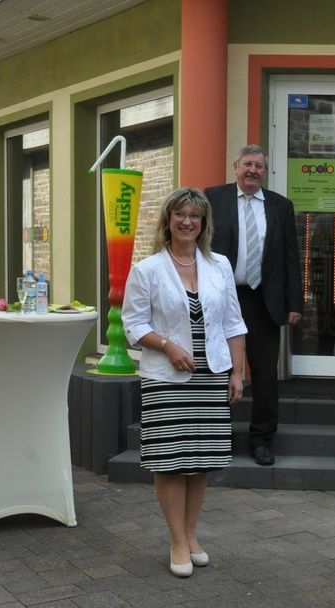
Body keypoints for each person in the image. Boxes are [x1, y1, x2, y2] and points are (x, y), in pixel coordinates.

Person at [122, 188, 247, 577]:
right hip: (166, 377)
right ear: (168, 221)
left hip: (211, 375)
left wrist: (238, 372)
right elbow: (133, 324)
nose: (187, 221)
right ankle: (176, 539)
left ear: (204, 223)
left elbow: (233, 323)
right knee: (171, 461)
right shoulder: (148, 269)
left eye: (195, 215)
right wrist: (167, 346)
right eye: (180, 215)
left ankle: (192, 535)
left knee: (202, 460)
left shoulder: (220, 265)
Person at [206, 144, 302, 466]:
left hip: (265, 300)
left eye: (259, 166)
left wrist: (294, 302)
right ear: (235, 166)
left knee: (264, 373)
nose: (252, 171)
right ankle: (215, 435)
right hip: (223, 297)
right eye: (247, 164)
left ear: (265, 171)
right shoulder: (212, 198)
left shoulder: (280, 206)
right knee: (218, 368)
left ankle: (261, 439)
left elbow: (291, 258)